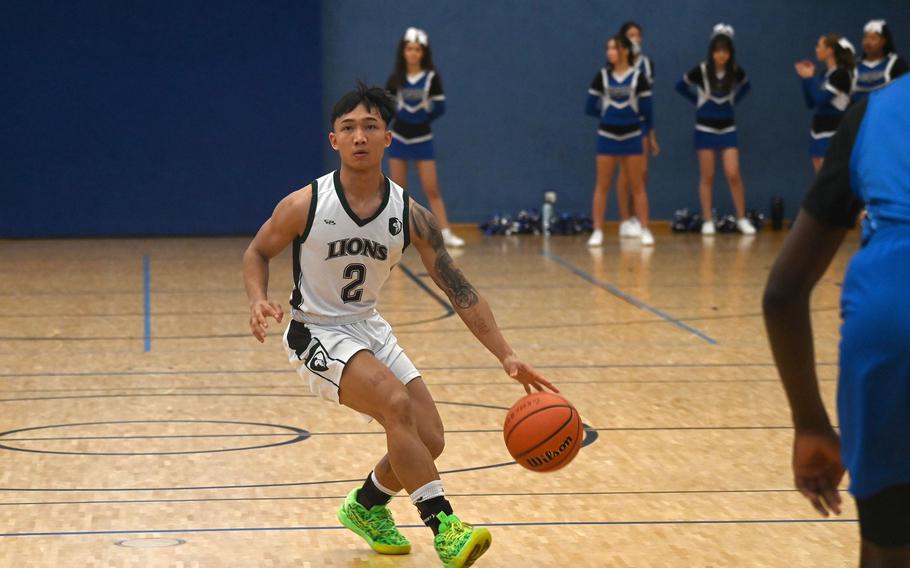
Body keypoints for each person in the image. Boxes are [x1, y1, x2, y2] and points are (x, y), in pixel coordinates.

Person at [242, 82, 556, 567]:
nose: (360, 137)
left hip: (368, 327)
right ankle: (445, 526)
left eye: (371, 127)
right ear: (334, 141)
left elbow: (459, 289)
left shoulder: (411, 216)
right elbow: (258, 251)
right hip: (315, 331)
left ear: (389, 138)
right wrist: (259, 299)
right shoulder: (305, 204)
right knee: (394, 403)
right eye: (349, 128)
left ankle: (366, 506)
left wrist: (506, 354)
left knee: (429, 438)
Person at [763, 74, 910, 567]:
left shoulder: (879, 109)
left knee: (887, 546)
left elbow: (783, 292)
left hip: (891, 317)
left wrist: (810, 424)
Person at [385, 27, 464, 248]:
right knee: (397, 191)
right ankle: (396, 234)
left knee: (432, 188)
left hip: (422, 138)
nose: (413, 53)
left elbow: (440, 106)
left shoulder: (431, 77)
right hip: (399, 137)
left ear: (423, 52)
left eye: (417, 49)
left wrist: (423, 117)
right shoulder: (395, 78)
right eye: (409, 49)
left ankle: (445, 232)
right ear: (403, 51)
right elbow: (386, 106)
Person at [675, 23, 755, 236]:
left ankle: (741, 218)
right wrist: (698, 102)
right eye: (718, 51)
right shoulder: (701, 70)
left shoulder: (735, 71)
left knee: (733, 173)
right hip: (705, 128)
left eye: (726, 51)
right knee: (707, 175)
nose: (722, 55)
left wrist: (734, 101)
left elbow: (747, 86)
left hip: (728, 128)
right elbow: (680, 86)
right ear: (712, 51)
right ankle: (707, 220)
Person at [585, 33, 655, 247]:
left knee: (637, 185)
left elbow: (647, 111)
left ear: (625, 51)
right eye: (608, 49)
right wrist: (607, 118)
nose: (610, 53)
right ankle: (597, 230)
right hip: (607, 137)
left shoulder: (638, 77)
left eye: (614, 48)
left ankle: (644, 229)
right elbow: (589, 106)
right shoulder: (602, 76)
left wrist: (645, 132)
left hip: (632, 137)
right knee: (602, 185)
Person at [615, 21, 660, 239]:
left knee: (641, 173)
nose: (636, 39)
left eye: (638, 35)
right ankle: (624, 220)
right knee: (625, 172)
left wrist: (651, 134)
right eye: (631, 35)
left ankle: (637, 218)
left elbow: (648, 102)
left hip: (642, 123)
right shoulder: (617, 66)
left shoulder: (648, 65)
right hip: (623, 123)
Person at [795, 34, 855, 173]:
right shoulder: (824, 75)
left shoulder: (841, 74)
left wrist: (809, 78)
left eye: (819, 46)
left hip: (833, 130)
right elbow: (811, 103)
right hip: (818, 130)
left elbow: (820, 99)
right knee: (819, 179)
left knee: (829, 178)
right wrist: (805, 79)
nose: (816, 49)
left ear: (830, 50)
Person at [853, 19, 908, 102]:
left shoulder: (896, 63)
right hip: (860, 113)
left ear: (883, 41)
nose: (867, 42)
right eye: (865, 38)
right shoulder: (853, 65)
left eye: (873, 38)